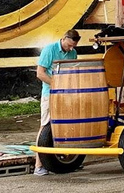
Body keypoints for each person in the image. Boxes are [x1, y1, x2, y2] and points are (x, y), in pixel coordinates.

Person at [34, 29, 80, 176]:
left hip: (66, 94)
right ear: (64, 38)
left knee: (67, 125)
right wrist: (56, 84)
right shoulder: (50, 50)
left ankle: (69, 160)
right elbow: (40, 73)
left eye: (73, 46)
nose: (71, 49)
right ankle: (38, 165)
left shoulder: (73, 53)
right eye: (69, 45)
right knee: (45, 126)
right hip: (50, 94)